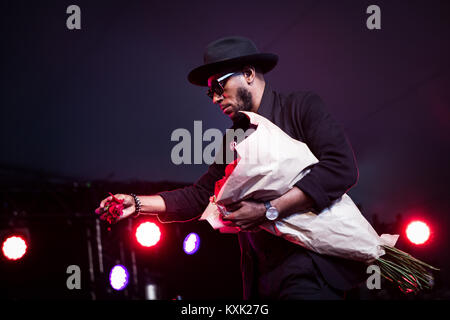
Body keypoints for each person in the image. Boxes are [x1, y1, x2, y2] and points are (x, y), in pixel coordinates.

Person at [97, 36, 367, 300]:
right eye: (209, 92)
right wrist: (136, 203)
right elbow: (203, 194)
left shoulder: (301, 107)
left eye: (219, 87)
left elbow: (341, 167)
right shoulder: (235, 138)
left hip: (308, 267)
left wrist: (268, 211)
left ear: (248, 74)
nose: (214, 98)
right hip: (262, 277)